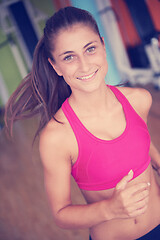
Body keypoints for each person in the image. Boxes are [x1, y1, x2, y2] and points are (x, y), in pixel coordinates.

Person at [4, 6, 160, 240]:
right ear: (55, 66)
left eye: (90, 49)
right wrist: (111, 208)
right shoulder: (57, 137)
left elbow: (141, 143)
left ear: (103, 46)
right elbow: (60, 213)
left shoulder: (139, 99)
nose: (85, 65)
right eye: (69, 57)